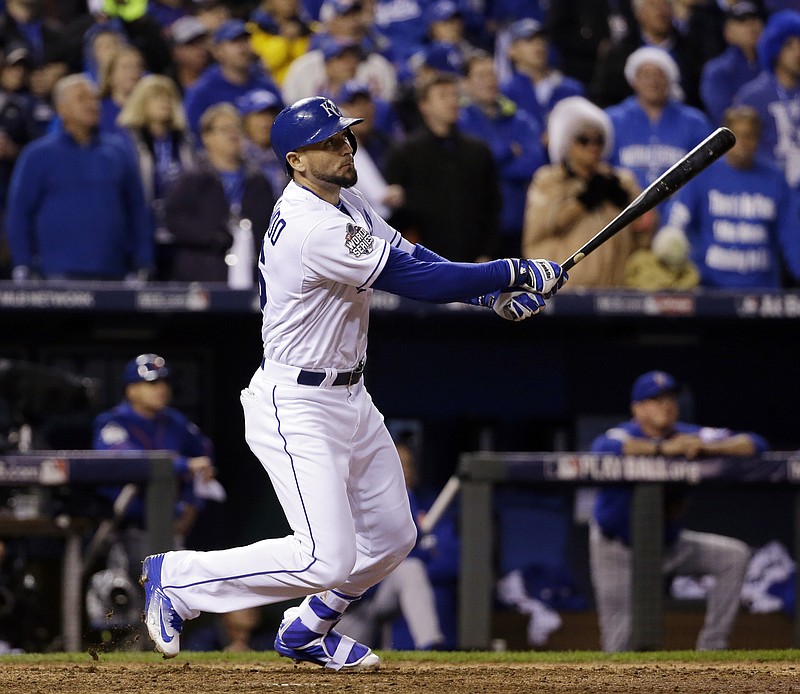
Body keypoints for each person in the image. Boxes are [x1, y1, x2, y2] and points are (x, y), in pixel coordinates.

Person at [140, 94, 568, 669]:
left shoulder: (347, 202)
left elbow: (415, 255)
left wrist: (487, 293)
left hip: (351, 396)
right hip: (297, 402)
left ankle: (308, 628)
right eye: (328, 142)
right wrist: (509, 269)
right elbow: (408, 277)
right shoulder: (310, 225)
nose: (344, 147)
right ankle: (177, 579)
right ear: (295, 160)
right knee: (323, 559)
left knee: (394, 536)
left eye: (344, 136)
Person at [589, 370, 769, 652]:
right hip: (618, 550)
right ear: (637, 408)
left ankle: (712, 648)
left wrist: (708, 447)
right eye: (655, 399)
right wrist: (662, 448)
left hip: (668, 545)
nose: (666, 405)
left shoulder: (689, 434)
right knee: (619, 644)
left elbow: (755, 443)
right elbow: (601, 449)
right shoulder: (625, 433)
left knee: (733, 557)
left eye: (670, 398)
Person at [5, 73, 153, 282]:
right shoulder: (37, 155)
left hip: (113, 274)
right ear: (62, 109)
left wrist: (143, 260)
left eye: (94, 98)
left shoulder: (119, 152)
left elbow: (138, 210)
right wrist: (23, 263)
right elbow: (19, 213)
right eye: (82, 98)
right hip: (54, 275)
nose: (92, 104)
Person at [658, 105, 800, 288]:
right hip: (709, 288)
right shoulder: (703, 174)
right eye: (737, 136)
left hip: (763, 290)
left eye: (750, 136)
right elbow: (676, 221)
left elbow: (792, 236)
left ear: (759, 138)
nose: (743, 143)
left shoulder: (775, 178)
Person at [522, 96, 651, 287]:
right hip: (564, 292)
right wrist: (583, 202)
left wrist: (627, 204)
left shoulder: (621, 181)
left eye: (599, 140)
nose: (593, 146)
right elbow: (542, 228)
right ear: (567, 143)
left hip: (618, 290)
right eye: (584, 140)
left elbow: (646, 232)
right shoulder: (549, 180)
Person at [334, 439, 445, 650]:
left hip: (383, 590)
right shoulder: (358, 494)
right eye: (399, 464)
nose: (405, 471)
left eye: (408, 464)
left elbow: (416, 553)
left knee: (411, 569)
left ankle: (430, 645)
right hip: (351, 601)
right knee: (343, 666)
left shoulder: (407, 497)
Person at [384, 72, 502, 262]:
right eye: (443, 96)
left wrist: (487, 253)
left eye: (454, 95)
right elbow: (393, 212)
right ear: (424, 106)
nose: (451, 101)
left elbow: (492, 206)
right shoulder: (405, 152)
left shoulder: (478, 150)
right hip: (424, 263)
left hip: (472, 261)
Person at [163, 103, 275, 286]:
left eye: (237, 128)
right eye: (225, 129)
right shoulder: (192, 179)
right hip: (203, 275)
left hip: (252, 275)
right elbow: (173, 219)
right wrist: (212, 236)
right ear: (207, 137)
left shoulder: (257, 181)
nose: (233, 134)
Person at [459, 50, 547, 257]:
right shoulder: (460, 121)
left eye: (492, 74)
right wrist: (508, 151)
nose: (490, 81)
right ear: (465, 83)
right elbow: (471, 167)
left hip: (519, 223)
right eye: (481, 75)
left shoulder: (521, 119)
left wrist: (493, 164)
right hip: (477, 227)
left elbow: (534, 164)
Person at [117, 74, 197, 281]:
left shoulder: (184, 141)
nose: (164, 103)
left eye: (168, 97)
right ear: (141, 102)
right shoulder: (127, 141)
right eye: (156, 97)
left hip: (179, 230)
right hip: (143, 228)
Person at [606, 47, 712, 202]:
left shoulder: (695, 122)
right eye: (646, 75)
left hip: (679, 213)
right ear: (633, 80)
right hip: (624, 210)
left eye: (659, 75)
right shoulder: (612, 120)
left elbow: (706, 174)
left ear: (670, 80)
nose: (653, 82)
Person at [183, 19, 281, 141]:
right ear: (218, 51)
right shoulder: (202, 91)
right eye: (234, 42)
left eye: (245, 40)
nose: (242, 47)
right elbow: (194, 137)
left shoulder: (265, 84)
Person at [734, 9, 800, 189]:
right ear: (775, 47)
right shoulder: (753, 96)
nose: (797, 52)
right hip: (766, 186)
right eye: (789, 45)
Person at [499, 18, 585, 134]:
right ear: (512, 50)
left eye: (541, 39)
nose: (538, 44)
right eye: (529, 40)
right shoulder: (504, 92)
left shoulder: (570, 89)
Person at [699, 1, 764, 125]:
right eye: (742, 21)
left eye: (755, 18)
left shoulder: (775, 65)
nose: (751, 24)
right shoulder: (717, 71)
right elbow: (724, 118)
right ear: (728, 33)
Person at [236, 88, 287, 200]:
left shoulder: (287, 155)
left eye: (270, 115)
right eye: (259, 115)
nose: (265, 122)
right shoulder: (237, 155)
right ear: (245, 121)